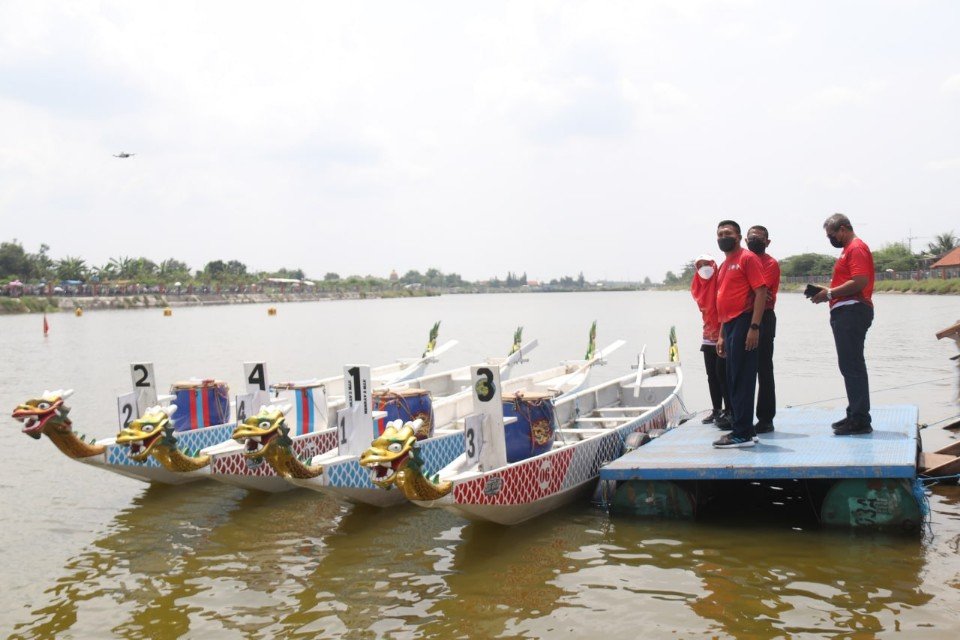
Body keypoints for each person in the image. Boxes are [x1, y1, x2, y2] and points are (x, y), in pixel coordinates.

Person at [811, 213, 875, 435]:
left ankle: (860, 419)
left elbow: (860, 281)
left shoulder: (856, 248)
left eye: (832, 234)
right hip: (846, 310)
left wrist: (829, 294)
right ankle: (855, 413)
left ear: (844, 229)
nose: (831, 239)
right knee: (849, 364)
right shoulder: (848, 250)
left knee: (852, 365)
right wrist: (828, 293)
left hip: (852, 310)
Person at [714, 220, 768, 448]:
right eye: (719, 234)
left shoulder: (747, 259)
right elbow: (723, 300)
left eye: (728, 233)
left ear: (738, 237)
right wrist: (722, 335)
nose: (723, 236)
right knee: (733, 379)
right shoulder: (725, 264)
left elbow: (761, 292)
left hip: (745, 322)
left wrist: (754, 327)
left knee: (743, 378)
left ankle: (741, 433)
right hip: (730, 326)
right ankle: (744, 428)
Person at [746, 225, 780, 434]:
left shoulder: (770, 263)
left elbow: (761, 293)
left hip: (764, 319)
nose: (754, 240)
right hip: (742, 318)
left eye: (759, 238)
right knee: (741, 370)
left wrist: (747, 292)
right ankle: (738, 415)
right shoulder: (742, 261)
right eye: (751, 237)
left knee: (764, 369)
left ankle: (766, 419)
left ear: (767, 242)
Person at [690, 254, 731, 425]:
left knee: (724, 374)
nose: (704, 268)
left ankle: (729, 409)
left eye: (707, 264)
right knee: (711, 375)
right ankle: (716, 410)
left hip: (723, 334)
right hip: (707, 336)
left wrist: (723, 334)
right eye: (700, 265)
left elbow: (727, 308)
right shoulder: (698, 286)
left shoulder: (722, 282)